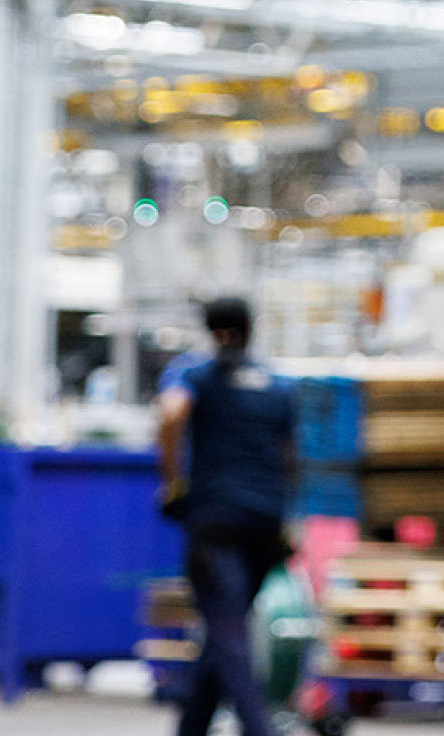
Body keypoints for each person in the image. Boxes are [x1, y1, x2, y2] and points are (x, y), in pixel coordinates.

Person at [157, 296, 295, 736]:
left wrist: (172, 481)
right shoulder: (278, 385)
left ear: (212, 331)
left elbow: (170, 413)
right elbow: (290, 456)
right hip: (266, 522)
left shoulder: (197, 375)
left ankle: (258, 728)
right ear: (250, 329)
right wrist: (290, 516)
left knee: (229, 631)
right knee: (225, 627)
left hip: (215, 520)